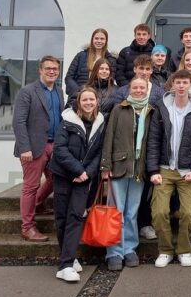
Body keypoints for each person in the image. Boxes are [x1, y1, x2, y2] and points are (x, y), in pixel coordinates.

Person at [146, 70, 191, 268]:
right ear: (172, 85)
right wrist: (153, 171)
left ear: (190, 85)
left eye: (185, 82)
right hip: (164, 169)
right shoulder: (162, 108)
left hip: (187, 171)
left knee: (189, 213)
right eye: (178, 82)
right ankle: (165, 250)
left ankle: (184, 250)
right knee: (159, 212)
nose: (181, 86)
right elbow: (153, 141)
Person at [49, 87, 105, 282]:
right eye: (85, 100)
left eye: (92, 99)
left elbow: (99, 152)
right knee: (62, 218)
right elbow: (60, 149)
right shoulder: (67, 120)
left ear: (97, 101)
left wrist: (86, 173)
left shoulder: (100, 122)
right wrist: (77, 171)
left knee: (75, 216)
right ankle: (68, 259)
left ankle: (65, 265)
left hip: (84, 178)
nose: (88, 103)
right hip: (63, 175)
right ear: (79, 102)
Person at [100, 77, 154, 271]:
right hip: (119, 167)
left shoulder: (151, 111)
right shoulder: (119, 109)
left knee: (132, 213)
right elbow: (109, 137)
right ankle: (114, 252)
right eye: (135, 87)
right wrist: (105, 165)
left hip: (139, 169)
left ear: (147, 89)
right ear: (129, 89)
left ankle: (129, 249)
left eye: (142, 87)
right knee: (116, 212)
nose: (138, 90)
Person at [12, 55, 65, 242]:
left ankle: (38, 203)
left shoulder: (59, 91)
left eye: (55, 69)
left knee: (55, 178)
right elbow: (18, 121)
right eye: (48, 68)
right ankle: (27, 228)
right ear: (41, 70)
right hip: (33, 147)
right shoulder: (27, 91)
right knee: (31, 186)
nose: (52, 71)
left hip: (54, 145)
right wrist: (24, 148)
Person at [112, 54, 163, 240]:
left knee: (145, 190)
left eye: (148, 69)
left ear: (152, 71)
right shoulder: (123, 91)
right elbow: (115, 117)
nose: (144, 72)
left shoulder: (159, 92)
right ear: (134, 69)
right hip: (125, 150)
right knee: (123, 197)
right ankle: (120, 236)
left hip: (149, 148)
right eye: (141, 69)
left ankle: (144, 224)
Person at [64, 28, 118, 100]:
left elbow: (110, 81)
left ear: (106, 41)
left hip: (100, 99)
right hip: (78, 97)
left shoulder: (111, 60)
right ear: (92, 39)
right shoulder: (81, 56)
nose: (99, 41)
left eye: (102, 39)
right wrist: (79, 92)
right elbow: (69, 78)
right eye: (96, 38)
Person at [72, 57, 117, 123]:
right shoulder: (84, 88)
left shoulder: (117, 90)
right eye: (101, 68)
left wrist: (102, 118)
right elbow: (71, 104)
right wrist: (87, 116)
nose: (104, 71)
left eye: (107, 69)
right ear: (95, 70)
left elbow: (117, 113)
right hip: (87, 125)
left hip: (107, 126)